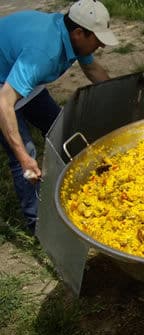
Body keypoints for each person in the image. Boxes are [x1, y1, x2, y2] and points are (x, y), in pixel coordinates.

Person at [0, 0, 119, 233]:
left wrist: (120, 98)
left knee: (62, 129)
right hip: (3, 89)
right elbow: (4, 102)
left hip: (16, 72)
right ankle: (39, 226)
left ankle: (86, 189)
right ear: (78, 33)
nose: (101, 46)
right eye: (97, 39)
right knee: (25, 157)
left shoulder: (71, 38)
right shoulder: (43, 53)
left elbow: (93, 70)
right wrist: (24, 157)